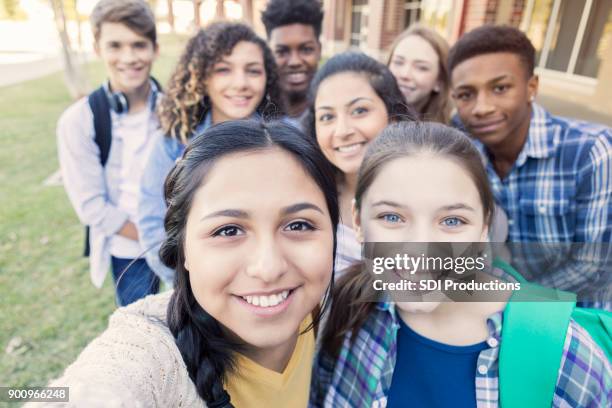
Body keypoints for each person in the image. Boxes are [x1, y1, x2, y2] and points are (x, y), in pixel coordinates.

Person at [35, 120, 338, 408]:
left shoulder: (346, 306)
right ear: (184, 251)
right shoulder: (149, 353)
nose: (269, 267)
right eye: (228, 230)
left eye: (298, 225)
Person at [311, 121, 610, 407]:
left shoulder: (564, 355)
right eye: (392, 217)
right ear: (358, 222)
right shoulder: (345, 309)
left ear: (484, 228)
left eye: (452, 221)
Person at [448, 25, 612, 303]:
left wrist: (508, 299)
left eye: (500, 88)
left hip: (579, 313)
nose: (482, 107)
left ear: (531, 87)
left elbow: (591, 266)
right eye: (466, 94)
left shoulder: (591, 151)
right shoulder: (464, 155)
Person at [137, 22, 283, 283]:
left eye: (253, 71)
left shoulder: (286, 140)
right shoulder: (173, 144)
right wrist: (192, 289)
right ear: (202, 77)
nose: (240, 83)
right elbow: (153, 226)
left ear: (267, 78)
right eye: (223, 69)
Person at [57, 0, 161, 306]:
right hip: (130, 252)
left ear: (154, 48)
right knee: (143, 336)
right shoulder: (78, 121)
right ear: (98, 48)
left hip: (184, 245)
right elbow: (92, 207)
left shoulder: (175, 109)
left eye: (139, 45)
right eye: (115, 45)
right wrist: (156, 241)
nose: (128, 58)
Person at [302, 52, 416, 273]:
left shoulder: (430, 195)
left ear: (393, 116)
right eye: (327, 117)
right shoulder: (308, 195)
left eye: (359, 111)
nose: (342, 131)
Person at [261, 0, 323, 122]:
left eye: (306, 49)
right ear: (268, 53)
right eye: (282, 51)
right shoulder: (252, 111)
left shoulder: (334, 113)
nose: (295, 62)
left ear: (319, 50)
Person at [387, 24, 452, 123]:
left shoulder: (453, 130)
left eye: (421, 68)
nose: (405, 74)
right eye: (398, 62)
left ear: (439, 81)